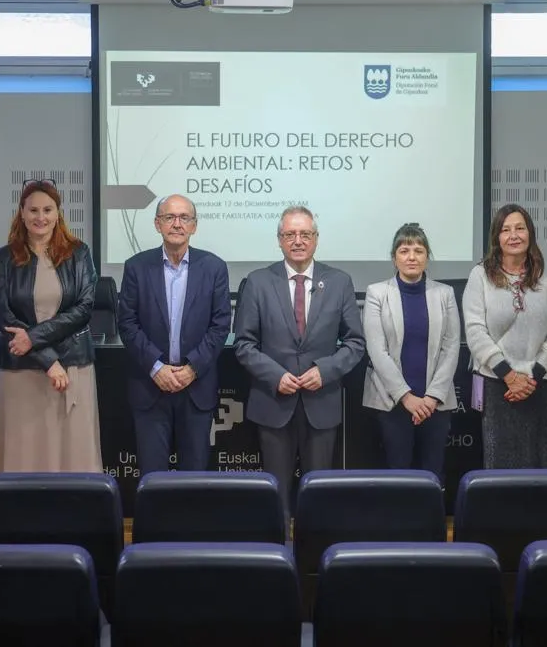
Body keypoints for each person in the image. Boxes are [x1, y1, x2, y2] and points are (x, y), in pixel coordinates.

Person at [233, 206, 365, 517]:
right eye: (290, 234)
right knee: (275, 494)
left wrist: (325, 370)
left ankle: (313, 558)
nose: (298, 240)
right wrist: (275, 375)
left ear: (316, 239)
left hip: (321, 402)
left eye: (305, 234)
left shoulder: (339, 282)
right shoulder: (258, 282)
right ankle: (276, 556)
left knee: (317, 493)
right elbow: (243, 344)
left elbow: (356, 343)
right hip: (273, 402)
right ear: (279, 240)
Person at [0, 179, 101, 472]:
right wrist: (49, 362)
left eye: (48, 209)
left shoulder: (79, 253)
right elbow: (6, 318)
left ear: (58, 213)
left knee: (74, 454)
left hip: (73, 365)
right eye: (34, 210)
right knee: (23, 454)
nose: (41, 217)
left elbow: (84, 309)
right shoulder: (4, 258)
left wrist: (35, 339)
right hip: (22, 372)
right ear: (22, 213)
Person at [117, 194, 231, 474]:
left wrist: (192, 368)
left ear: (194, 226)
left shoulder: (214, 268)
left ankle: (193, 521)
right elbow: (127, 324)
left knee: (195, 476)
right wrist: (156, 368)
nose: (177, 224)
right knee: (152, 476)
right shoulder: (136, 267)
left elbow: (220, 325)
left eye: (185, 218)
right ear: (158, 224)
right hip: (150, 386)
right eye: (169, 217)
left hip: (196, 387)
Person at [463, 203, 547, 469]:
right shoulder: (480, 275)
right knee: (499, 462)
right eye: (505, 229)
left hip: (539, 383)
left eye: (520, 228)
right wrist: (509, 376)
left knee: (539, 461)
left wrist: (530, 377)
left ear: (530, 233)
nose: (513, 235)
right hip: (496, 383)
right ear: (496, 238)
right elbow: (475, 331)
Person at [362, 223, 461, 483]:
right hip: (391, 400)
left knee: (433, 472)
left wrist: (430, 398)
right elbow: (376, 350)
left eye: (418, 250)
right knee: (398, 473)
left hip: (435, 403)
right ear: (394, 257)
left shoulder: (445, 293)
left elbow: (451, 347)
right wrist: (407, 398)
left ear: (427, 256)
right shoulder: (377, 293)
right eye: (404, 250)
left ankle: (431, 525)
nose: (412, 257)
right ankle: (397, 525)